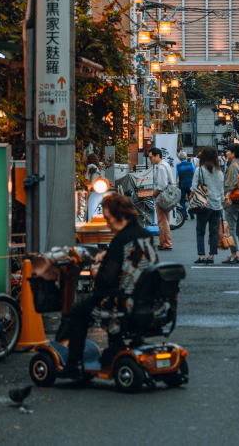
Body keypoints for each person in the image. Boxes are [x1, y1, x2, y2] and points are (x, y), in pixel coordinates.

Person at [56, 193, 157, 378]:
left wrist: (94, 270)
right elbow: (131, 265)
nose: (107, 223)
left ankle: (73, 364)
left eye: (108, 218)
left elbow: (105, 280)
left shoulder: (120, 241)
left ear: (121, 216)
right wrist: (107, 258)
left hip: (121, 302)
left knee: (79, 310)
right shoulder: (146, 235)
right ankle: (116, 346)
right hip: (145, 299)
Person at [192, 148, 225, 266]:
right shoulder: (220, 172)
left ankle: (201, 256)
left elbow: (193, 187)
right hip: (216, 205)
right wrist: (222, 203)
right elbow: (222, 190)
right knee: (214, 232)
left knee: (200, 231)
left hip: (203, 204)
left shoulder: (199, 170)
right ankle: (211, 256)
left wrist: (191, 198)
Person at [222, 143, 239, 264]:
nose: (226, 153)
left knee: (231, 228)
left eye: (228, 151)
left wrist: (226, 198)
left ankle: (233, 254)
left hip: (232, 200)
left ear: (233, 153)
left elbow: (231, 185)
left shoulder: (232, 166)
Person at [149, 147, 173, 250]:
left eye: (151, 157)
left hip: (162, 196)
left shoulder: (161, 167)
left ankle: (166, 243)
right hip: (166, 195)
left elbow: (162, 185)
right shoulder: (165, 165)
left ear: (157, 156)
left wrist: (154, 193)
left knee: (162, 221)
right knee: (164, 220)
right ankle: (163, 242)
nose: (150, 160)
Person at [176, 151, 195, 221]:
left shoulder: (178, 166)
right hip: (190, 184)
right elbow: (194, 173)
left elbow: (176, 175)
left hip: (182, 184)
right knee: (191, 199)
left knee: (182, 200)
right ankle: (192, 212)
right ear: (186, 158)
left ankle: (185, 215)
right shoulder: (190, 164)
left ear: (180, 159)